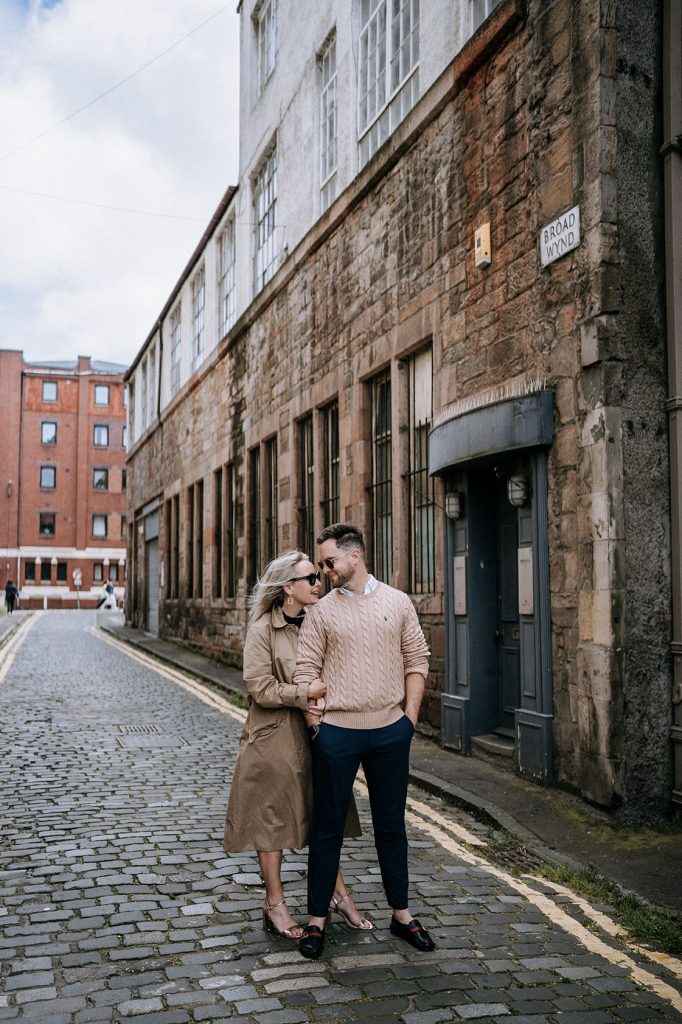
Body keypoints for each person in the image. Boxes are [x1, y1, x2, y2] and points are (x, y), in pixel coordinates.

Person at [294, 523, 435, 959]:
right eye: (320, 564)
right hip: (337, 734)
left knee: (391, 826)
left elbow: (418, 658)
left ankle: (402, 915)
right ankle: (317, 921)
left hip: (391, 731)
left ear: (354, 556)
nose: (324, 571)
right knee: (327, 828)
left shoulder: (397, 602)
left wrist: (408, 719)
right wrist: (318, 725)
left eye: (329, 562)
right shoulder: (322, 612)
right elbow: (305, 671)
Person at [223, 550, 371, 940]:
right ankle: (274, 903)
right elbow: (259, 687)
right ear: (288, 588)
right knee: (270, 824)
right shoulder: (262, 631)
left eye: (318, 577)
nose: (318, 582)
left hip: (319, 736)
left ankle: (337, 894)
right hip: (273, 740)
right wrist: (304, 692)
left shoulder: (320, 622)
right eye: (310, 579)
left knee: (325, 818)